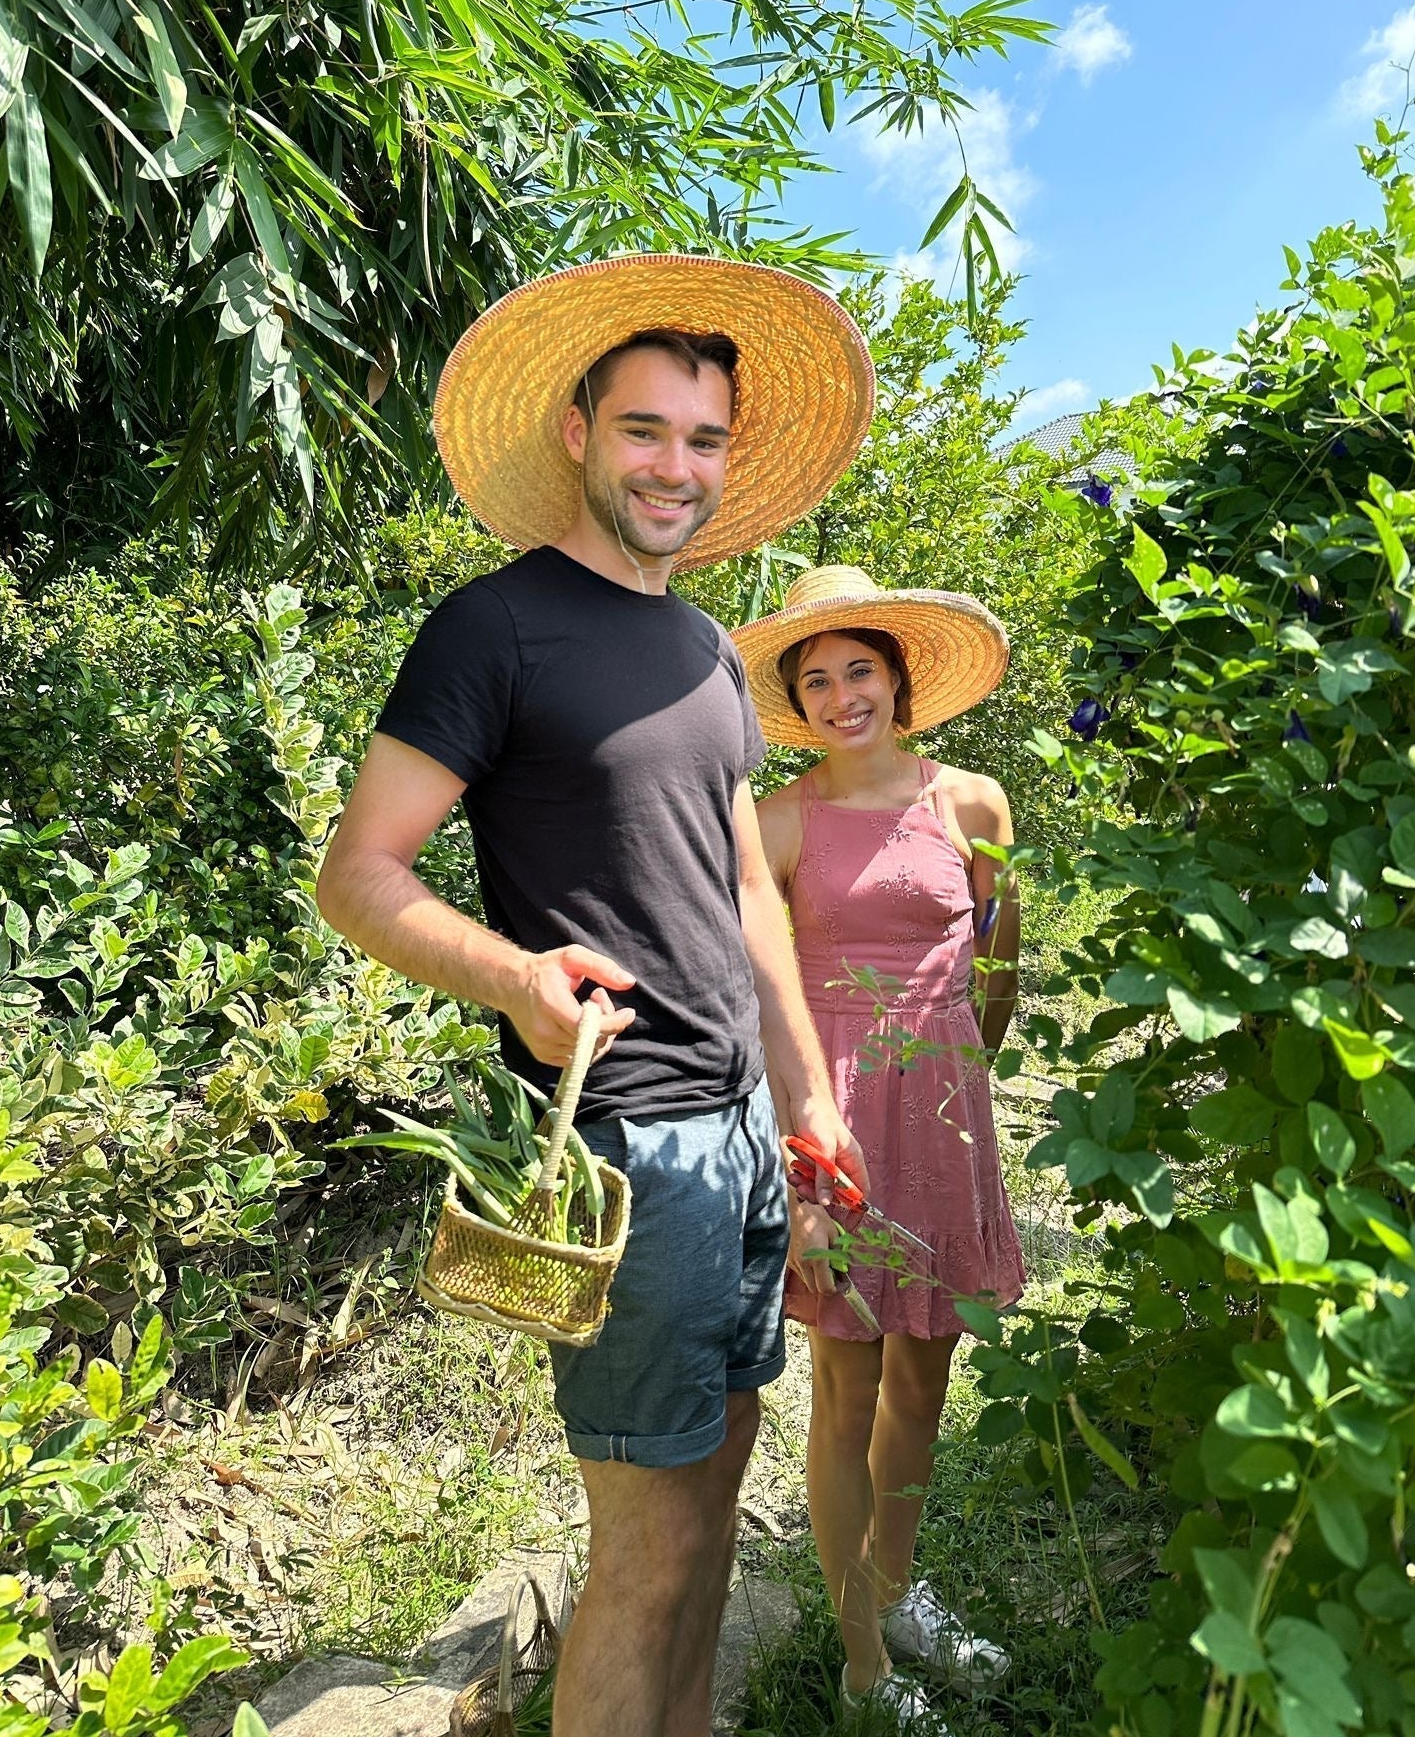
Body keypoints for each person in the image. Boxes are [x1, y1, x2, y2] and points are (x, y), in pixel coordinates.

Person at [315, 255, 877, 1737]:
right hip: (633, 1149)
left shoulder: (705, 650)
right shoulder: (492, 630)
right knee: (651, 1544)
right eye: (645, 430)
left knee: (722, 1486)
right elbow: (360, 873)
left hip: (746, 1130)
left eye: (703, 439)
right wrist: (514, 978)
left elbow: (746, 886)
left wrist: (809, 1091)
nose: (675, 467)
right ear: (577, 432)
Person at [733, 564, 1027, 1732]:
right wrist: (794, 1166)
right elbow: (754, 995)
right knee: (847, 1386)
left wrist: (964, 1062)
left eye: (860, 668)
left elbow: (1000, 958)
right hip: (835, 1118)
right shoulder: (781, 820)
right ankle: (864, 1666)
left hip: (944, 1110)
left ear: (900, 681)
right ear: (800, 703)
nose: (842, 691)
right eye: (817, 677)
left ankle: (897, 1591)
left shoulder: (975, 801)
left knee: (928, 1373)